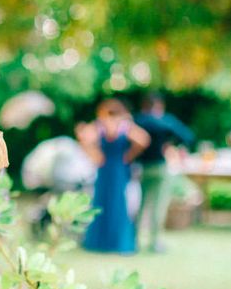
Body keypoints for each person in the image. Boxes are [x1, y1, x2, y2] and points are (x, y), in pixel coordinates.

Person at [77, 99, 149, 254]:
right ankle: (113, 242)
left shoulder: (109, 125)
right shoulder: (121, 126)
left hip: (113, 168)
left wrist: (127, 156)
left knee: (113, 202)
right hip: (113, 167)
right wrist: (128, 156)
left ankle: (105, 242)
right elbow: (143, 140)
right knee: (111, 202)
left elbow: (83, 137)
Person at [133, 93, 195, 253]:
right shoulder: (165, 121)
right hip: (159, 167)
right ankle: (154, 243)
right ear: (159, 105)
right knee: (157, 206)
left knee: (141, 205)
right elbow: (187, 136)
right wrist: (169, 143)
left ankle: (135, 241)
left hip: (141, 167)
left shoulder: (137, 120)